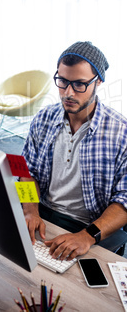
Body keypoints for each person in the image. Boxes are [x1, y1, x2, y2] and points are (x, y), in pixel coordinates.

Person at [21, 41, 127, 260]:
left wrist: (87, 236)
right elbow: (26, 171)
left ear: (98, 81)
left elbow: (124, 199)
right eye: (62, 81)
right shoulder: (43, 118)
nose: (68, 92)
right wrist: (30, 209)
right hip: (45, 214)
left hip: (91, 227)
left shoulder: (121, 132)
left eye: (79, 84)